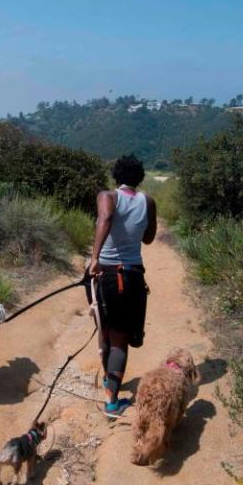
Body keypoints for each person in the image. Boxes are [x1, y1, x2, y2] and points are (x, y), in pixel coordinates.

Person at [89, 154, 157, 415]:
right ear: (139, 178)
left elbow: (105, 218)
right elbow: (149, 238)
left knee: (106, 331)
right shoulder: (148, 202)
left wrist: (95, 257)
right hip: (131, 276)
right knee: (120, 339)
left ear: (116, 175)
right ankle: (112, 402)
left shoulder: (108, 196)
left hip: (104, 275)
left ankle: (110, 389)